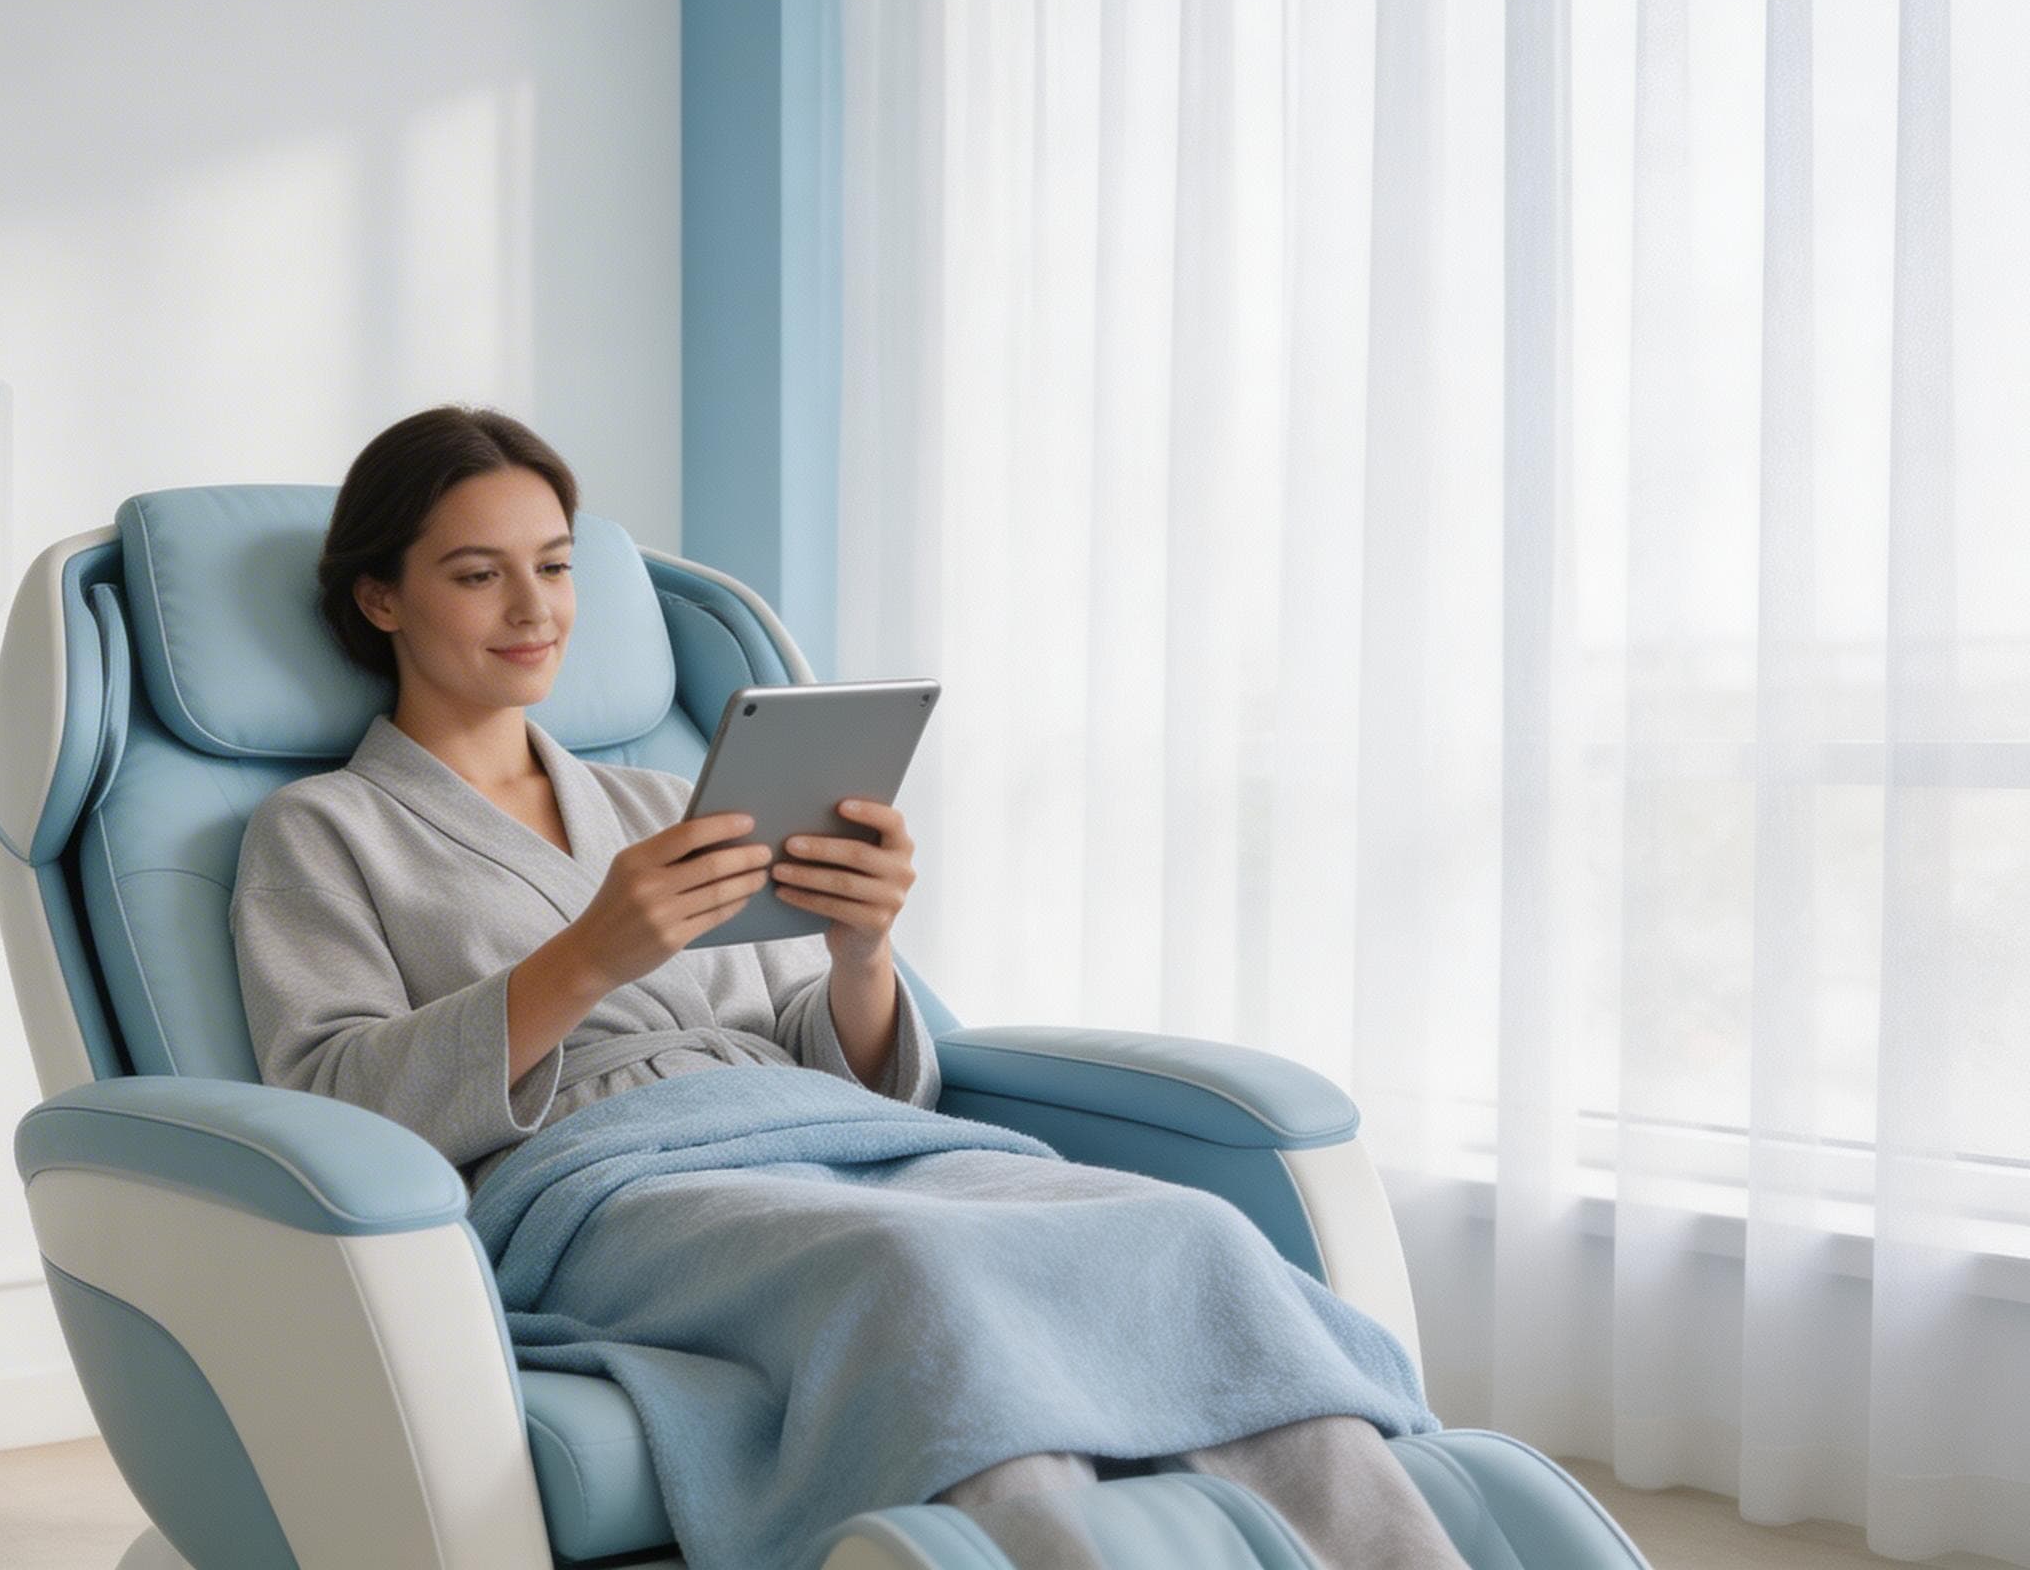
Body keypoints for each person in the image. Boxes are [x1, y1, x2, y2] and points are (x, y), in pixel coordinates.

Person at [227, 404, 1468, 1569]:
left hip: (826, 1129)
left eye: (553, 566)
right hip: (602, 1184)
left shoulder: (669, 801)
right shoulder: (321, 830)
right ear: (380, 595)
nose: (533, 607)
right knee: (911, 1271)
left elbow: (816, 1053)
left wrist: (861, 949)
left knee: (1183, 1228)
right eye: (475, 571)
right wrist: (591, 954)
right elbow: (341, 1105)